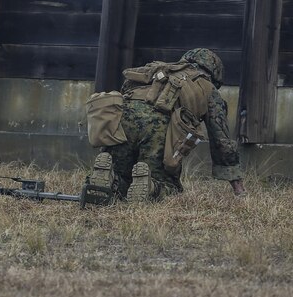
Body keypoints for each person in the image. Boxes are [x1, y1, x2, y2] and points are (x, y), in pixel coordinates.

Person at [89, 48, 246, 202]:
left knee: (122, 176)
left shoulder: (159, 70)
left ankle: (110, 180)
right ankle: (151, 187)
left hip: (123, 121)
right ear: (214, 73)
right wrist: (237, 186)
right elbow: (221, 139)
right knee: (168, 185)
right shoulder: (207, 87)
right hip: (159, 128)